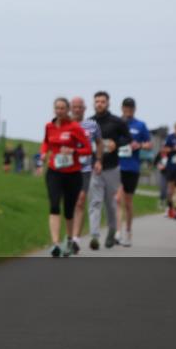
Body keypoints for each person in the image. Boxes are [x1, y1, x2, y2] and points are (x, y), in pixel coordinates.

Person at [39, 97, 93, 257]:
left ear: (68, 110)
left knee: (69, 210)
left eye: (63, 108)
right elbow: (46, 143)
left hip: (73, 174)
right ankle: (55, 244)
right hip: (54, 171)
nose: (60, 111)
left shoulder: (74, 127)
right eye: (57, 108)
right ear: (54, 109)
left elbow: (88, 149)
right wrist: (43, 153)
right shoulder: (49, 126)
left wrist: (74, 151)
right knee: (54, 205)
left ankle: (69, 240)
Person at [87, 91, 132, 250]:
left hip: (112, 168)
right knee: (95, 201)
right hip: (96, 168)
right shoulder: (89, 122)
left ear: (108, 103)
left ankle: (112, 230)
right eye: (97, 101)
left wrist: (116, 144)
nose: (99, 104)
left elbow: (128, 138)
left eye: (102, 101)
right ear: (94, 103)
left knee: (111, 203)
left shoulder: (116, 122)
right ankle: (94, 236)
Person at [115, 97, 152, 247]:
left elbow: (149, 144)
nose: (128, 110)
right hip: (117, 166)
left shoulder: (140, 125)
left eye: (131, 107)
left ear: (134, 109)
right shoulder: (116, 123)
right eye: (126, 107)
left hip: (132, 167)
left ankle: (128, 231)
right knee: (118, 200)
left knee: (128, 202)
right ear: (122, 108)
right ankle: (118, 232)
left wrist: (140, 145)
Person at [70, 96, 102, 254]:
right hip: (68, 168)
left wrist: (99, 160)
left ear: (84, 109)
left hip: (85, 168)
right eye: (74, 107)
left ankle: (75, 239)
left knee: (81, 201)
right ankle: (70, 235)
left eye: (80, 107)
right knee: (71, 203)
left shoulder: (92, 124)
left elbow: (99, 142)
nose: (77, 109)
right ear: (71, 108)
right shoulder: (64, 124)